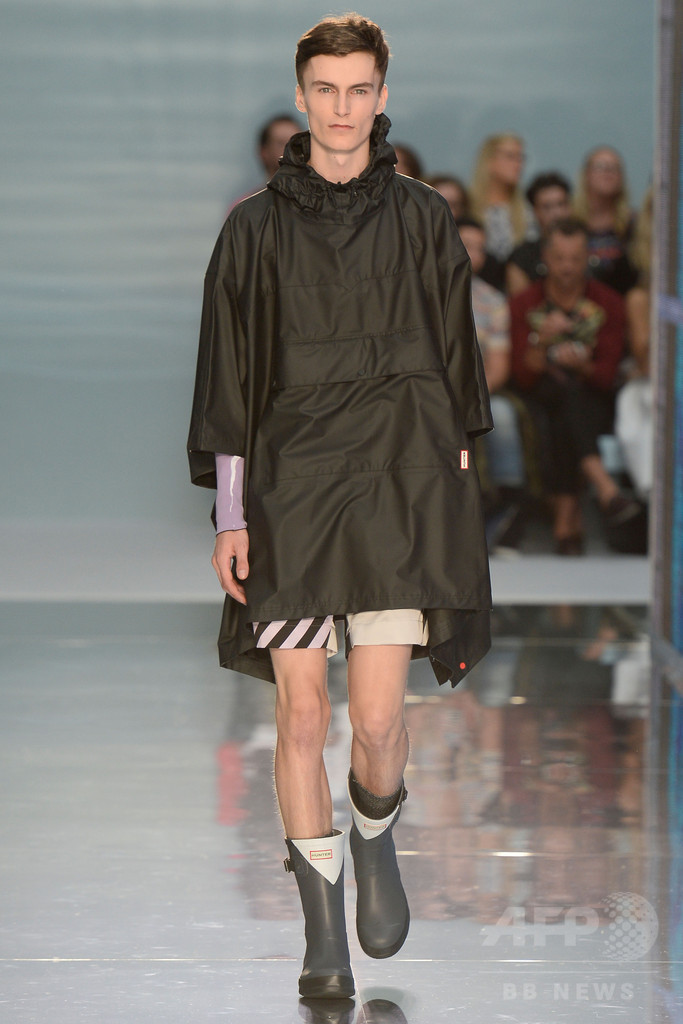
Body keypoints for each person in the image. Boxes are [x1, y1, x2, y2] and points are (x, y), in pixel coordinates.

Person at [187, 13, 492, 1001]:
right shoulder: (252, 228)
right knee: (301, 712)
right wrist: (231, 515)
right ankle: (322, 936)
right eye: (326, 89)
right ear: (301, 95)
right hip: (290, 491)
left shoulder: (422, 218)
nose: (342, 108)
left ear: (382, 96)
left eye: (359, 89)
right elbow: (230, 377)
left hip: (396, 486)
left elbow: (454, 368)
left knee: (377, 723)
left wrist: (454, 497)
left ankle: (374, 828)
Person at [509, 217, 641, 554]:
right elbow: (523, 375)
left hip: (591, 396)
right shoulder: (524, 303)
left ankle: (565, 523)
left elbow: (606, 375)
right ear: (545, 258)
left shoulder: (608, 302)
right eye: (559, 258)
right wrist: (541, 340)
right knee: (563, 401)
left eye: (576, 258)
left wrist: (581, 365)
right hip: (540, 395)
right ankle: (603, 489)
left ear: (588, 259)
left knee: (569, 405)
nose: (567, 267)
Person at [457, 216, 528, 548]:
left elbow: (498, 368)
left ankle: (505, 501)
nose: (473, 254)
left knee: (502, 415)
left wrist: (469, 396)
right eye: (466, 245)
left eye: (480, 248)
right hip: (427, 391)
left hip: (480, 390)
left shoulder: (493, 301)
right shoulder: (419, 293)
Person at [470, 133, 536, 290]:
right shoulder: (469, 206)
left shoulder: (527, 212)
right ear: (489, 161)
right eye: (510, 156)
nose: (518, 164)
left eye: (521, 158)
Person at [573, 146, 638, 295]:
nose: (608, 172)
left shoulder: (634, 224)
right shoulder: (570, 222)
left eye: (614, 168)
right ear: (586, 175)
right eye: (600, 166)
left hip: (622, 299)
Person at [506, 172, 573, 296]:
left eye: (561, 204)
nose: (556, 213)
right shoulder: (521, 257)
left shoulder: (588, 248)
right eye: (547, 207)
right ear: (535, 212)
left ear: (570, 207)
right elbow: (520, 302)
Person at [227, 113, 302, 210]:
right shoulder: (245, 209)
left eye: (296, 143)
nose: (290, 149)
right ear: (264, 151)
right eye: (281, 143)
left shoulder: (318, 207)